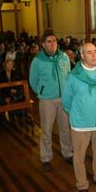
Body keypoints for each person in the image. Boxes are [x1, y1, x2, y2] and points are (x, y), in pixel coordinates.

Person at [62, 43, 96, 192]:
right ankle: (82, 185)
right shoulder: (73, 76)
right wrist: (78, 114)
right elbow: (66, 101)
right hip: (80, 124)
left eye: (95, 52)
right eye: (89, 52)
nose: (94, 55)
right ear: (82, 56)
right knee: (79, 157)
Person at [29, 32, 73, 172]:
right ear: (43, 44)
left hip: (64, 98)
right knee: (47, 130)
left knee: (65, 128)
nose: (52, 43)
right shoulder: (38, 60)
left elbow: (68, 74)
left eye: (54, 40)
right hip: (47, 99)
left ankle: (67, 153)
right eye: (49, 41)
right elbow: (33, 80)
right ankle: (46, 157)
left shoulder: (63, 57)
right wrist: (42, 91)